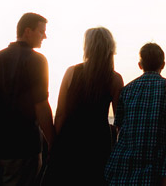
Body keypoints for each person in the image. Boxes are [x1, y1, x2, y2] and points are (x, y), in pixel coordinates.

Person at [0, 12, 55, 186]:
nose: (45, 36)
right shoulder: (37, 60)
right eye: (41, 31)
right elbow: (41, 104)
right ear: (27, 31)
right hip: (21, 148)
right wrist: (52, 142)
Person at [105, 42, 166, 186]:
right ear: (163, 64)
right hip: (155, 165)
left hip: (124, 162)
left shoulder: (127, 90)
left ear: (140, 65)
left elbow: (119, 128)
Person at [44, 27, 124, 186]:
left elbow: (60, 113)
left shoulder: (71, 72)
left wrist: (53, 143)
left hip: (69, 138)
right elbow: (119, 119)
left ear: (87, 47)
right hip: (98, 141)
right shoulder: (115, 79)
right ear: (110, 49)